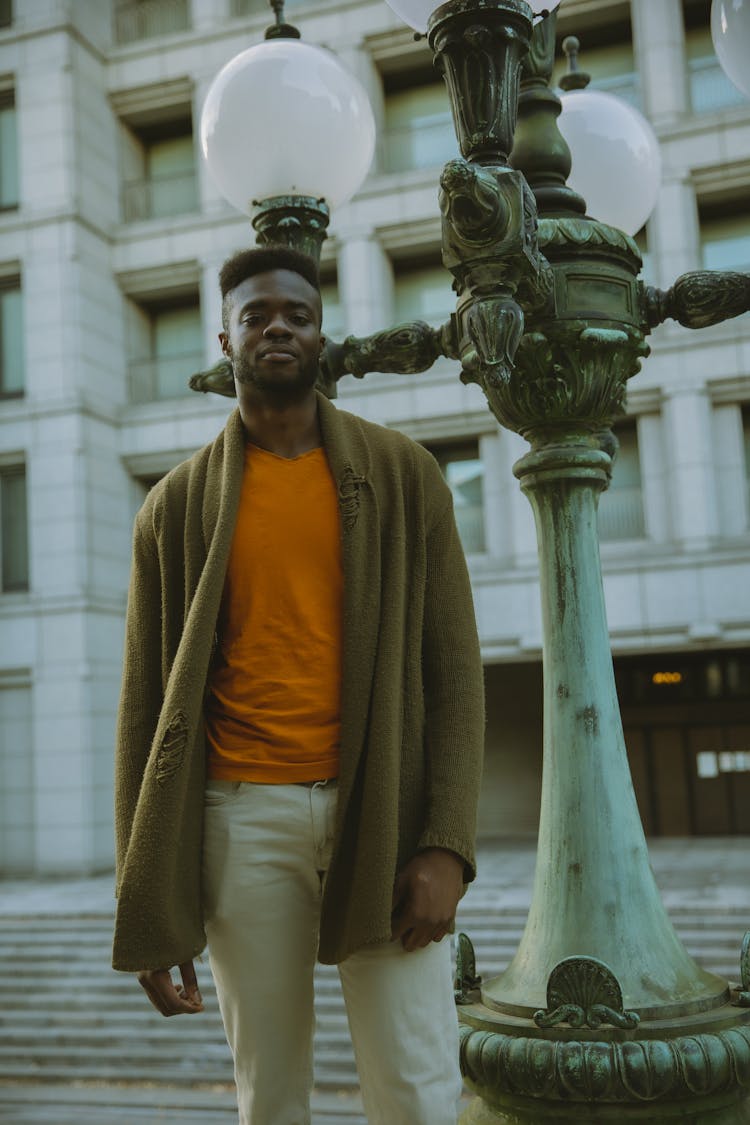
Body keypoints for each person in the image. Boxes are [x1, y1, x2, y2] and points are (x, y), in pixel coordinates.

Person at [112, 244, 485, 1125]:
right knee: (270, 1097)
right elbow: (143, 713)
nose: (277, 326)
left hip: (385, 819)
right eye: (256, 316)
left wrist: (447, 842)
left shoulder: (404, 476)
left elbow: (455, 669)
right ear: (225, 338)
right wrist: (146, 900)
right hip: (243, 824)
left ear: (321, 335)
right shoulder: (173, 507)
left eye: (297, 314)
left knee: (419, 1089)